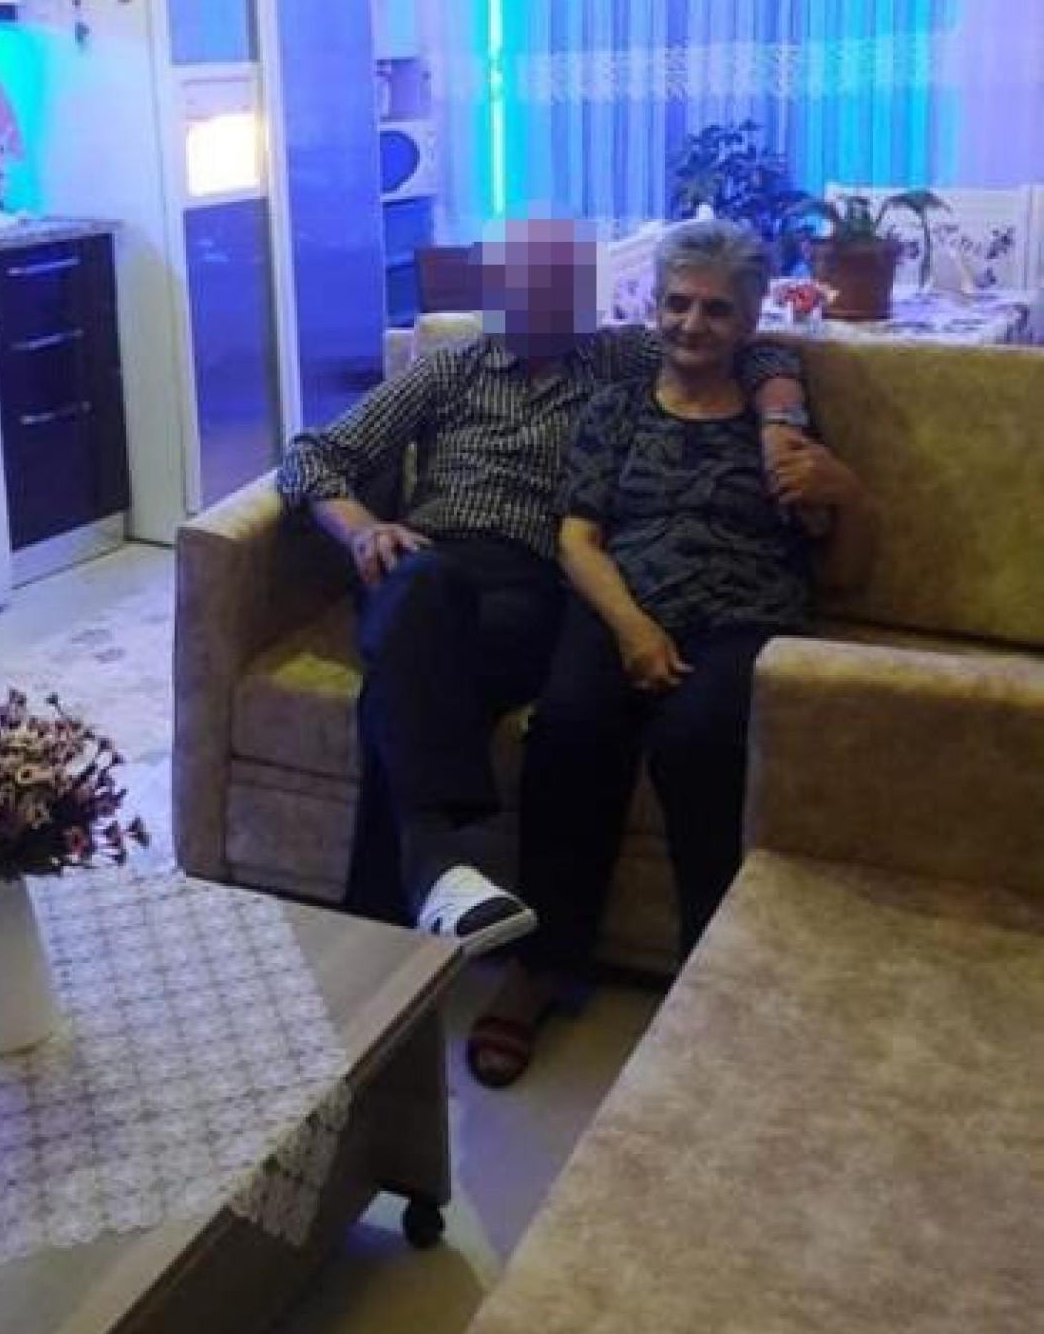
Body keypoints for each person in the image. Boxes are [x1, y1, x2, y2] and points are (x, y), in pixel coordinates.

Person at [276, 217, 812, 959]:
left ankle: (389, 919)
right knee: (418, 597)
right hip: (426, 566)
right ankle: (434, 872)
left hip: (527, 590)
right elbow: (311, 456)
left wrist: (780, 419)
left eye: (562, 289)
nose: (542, 304)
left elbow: (750, 349)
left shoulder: (615, 358)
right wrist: (363, 528)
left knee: (395, 691)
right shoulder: (448, 370)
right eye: (523, 288)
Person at [466, 218, 872, 1084]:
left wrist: (848, 497)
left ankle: (707, 976)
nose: (693, 324)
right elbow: (577, 539)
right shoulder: (615, 408)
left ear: (750, 320)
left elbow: (840, 574)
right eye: (678, 304)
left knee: (698, 743)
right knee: (567, 729)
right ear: (653, 307)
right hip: (619, 603)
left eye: (717, 310)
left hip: (742, 617)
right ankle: (544, 963)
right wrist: (633, 629)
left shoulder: (779, 423)